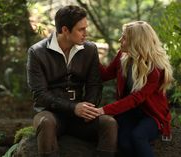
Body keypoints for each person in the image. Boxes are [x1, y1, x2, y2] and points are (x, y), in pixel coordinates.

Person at [26, 5, 117, 157]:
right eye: (81, 29)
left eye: (85, 28)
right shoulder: (36, 52)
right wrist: (73, 107)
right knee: (45, 123)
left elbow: (94, 84)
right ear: (65, 30)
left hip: (80, 117)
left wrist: (88, 108)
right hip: (51, 114)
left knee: (109, 123)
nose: (85, 34)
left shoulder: (90, 50)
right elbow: (40, 94)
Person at [98, 21, 174, 157]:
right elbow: (104, 75)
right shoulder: (122, 56)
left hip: (151, 115)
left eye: (124, 37)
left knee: (138, 136)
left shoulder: (154, 69)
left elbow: (135, 99)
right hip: (128, 113)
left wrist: (103, 110)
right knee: (124, 143)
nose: (120, 40)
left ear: (136, 41)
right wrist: (91, 53)